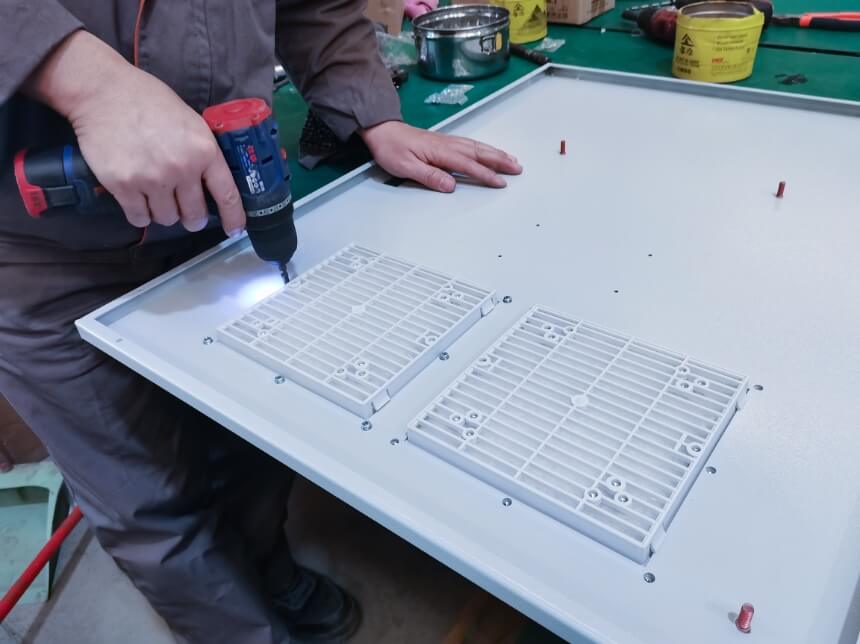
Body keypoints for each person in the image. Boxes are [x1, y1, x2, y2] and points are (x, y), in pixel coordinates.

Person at [0, 2, 522, 643]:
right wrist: (83, 77)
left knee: (249, 434)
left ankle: (267, 570)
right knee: (147, 501)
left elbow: (315, 6)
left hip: (218, 215)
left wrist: (372, 113)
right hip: (41, 250)